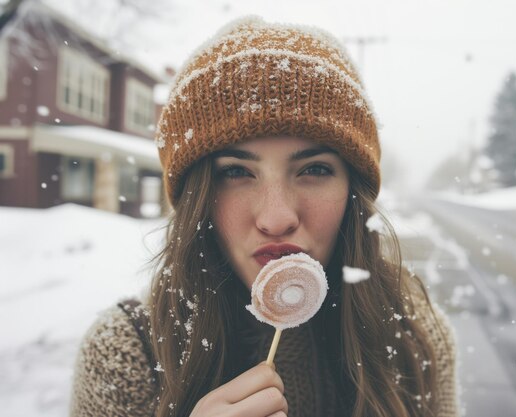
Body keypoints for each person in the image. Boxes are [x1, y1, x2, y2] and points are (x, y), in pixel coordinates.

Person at [70, 16, 458, 417]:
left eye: (314, 170)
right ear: (196, 200)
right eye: (235, 172)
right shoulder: (126, 352)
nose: (276, 219)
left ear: (352, 192)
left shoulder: (413, 338)